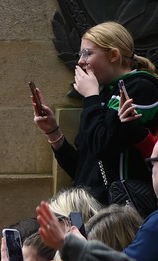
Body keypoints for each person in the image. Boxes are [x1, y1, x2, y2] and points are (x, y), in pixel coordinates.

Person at [33, 21, 158, 208]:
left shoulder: (140, 86)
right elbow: (82, 169)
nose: (80, 61)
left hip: (122, 210)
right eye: (80, 54)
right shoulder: (104, 93)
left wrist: (91, 97)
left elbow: (103, 147)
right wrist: (53, 132)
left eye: (88, 53)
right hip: (92, 207)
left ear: (114, 55)